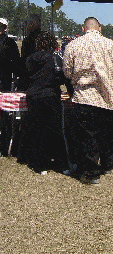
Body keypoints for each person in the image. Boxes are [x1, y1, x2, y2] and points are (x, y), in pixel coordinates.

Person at [63, 17, 113, 185]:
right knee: (106, 133)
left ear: (84, 28)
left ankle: (91, 173)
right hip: (107, 97)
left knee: (87, 136)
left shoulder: (73, 45)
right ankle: (107, 164)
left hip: (84, 96)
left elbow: (67, 72)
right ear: (100, 28)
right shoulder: (111, 44)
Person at [21, 31, 69, 174]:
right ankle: (62, 164)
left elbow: (26, 77)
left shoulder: (30, 59)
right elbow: (61, 78)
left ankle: (40, 165)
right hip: (50, 96)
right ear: (52, 44)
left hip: (33, 97)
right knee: (55, 131)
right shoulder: (55, 59)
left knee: (37, 131)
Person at [0, 18, 22, 156]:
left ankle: (4, 146)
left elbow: (16, 63)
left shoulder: (10, 43)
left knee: (5, 116)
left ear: (6, 28)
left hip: (5, 82)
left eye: (2, 26)